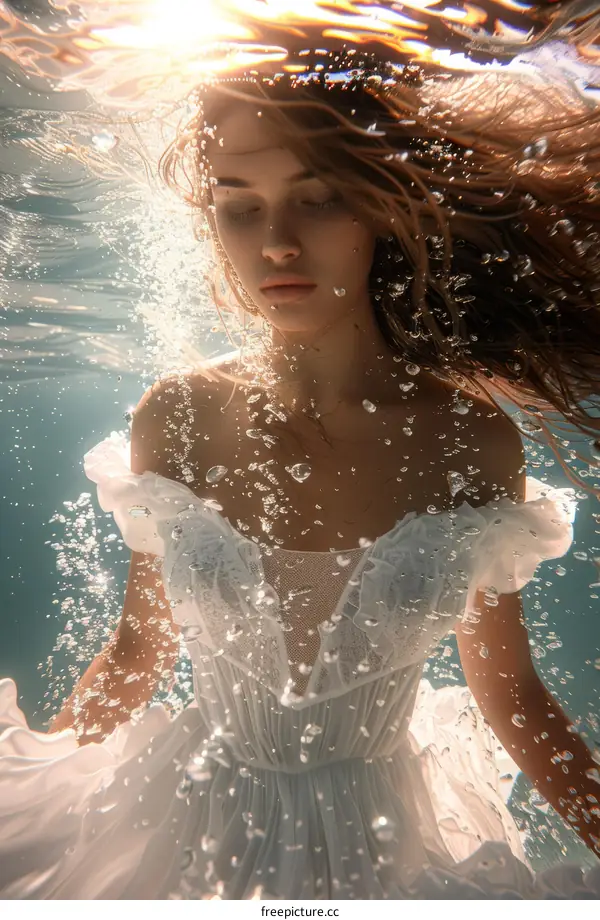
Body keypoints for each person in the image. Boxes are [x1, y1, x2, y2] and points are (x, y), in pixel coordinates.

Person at [1, 49, 599, 900]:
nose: (276, 242)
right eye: (237, 207)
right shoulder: (174, 416)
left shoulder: (472, 440)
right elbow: (137, 653)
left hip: (382, 842)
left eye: (316, 198)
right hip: (183, 827)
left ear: (383, 207)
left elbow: (511, 695)